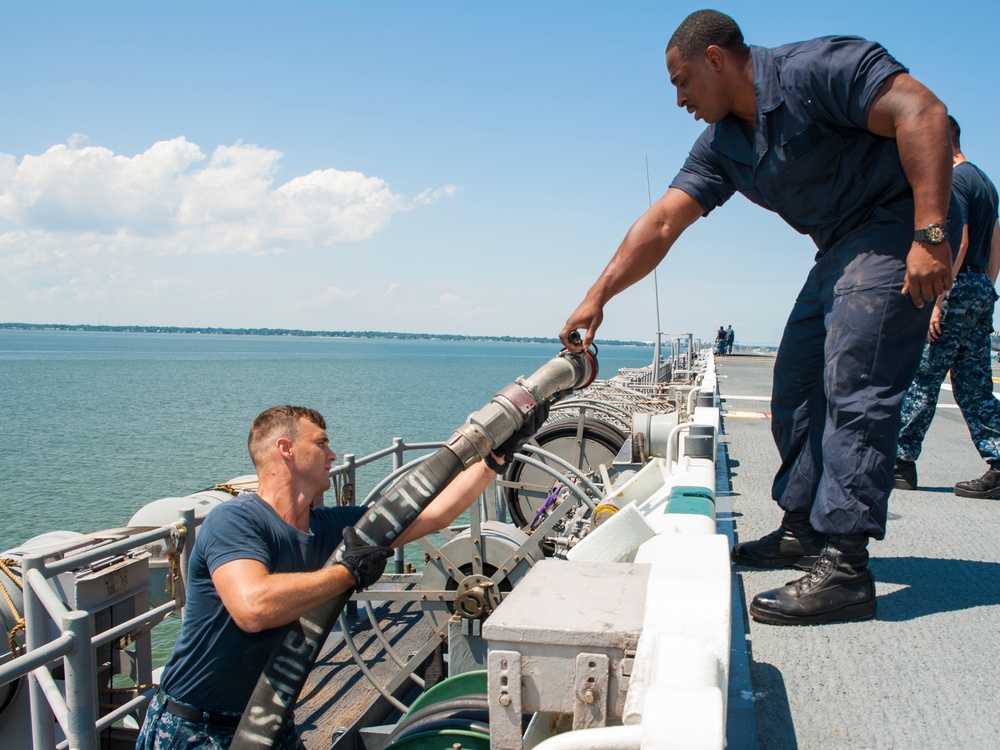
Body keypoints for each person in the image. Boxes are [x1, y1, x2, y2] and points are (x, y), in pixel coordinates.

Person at [560, 10, 957, 625]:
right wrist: (598, 295)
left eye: (682, 80)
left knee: (858, 381)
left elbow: (924, 113)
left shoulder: (814, 69)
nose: (679, 98)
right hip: (836, 247)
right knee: (796, 385)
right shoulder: (722, 144)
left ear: (716, 58)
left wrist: (930, 234)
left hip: (893, 226)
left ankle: (847, 569)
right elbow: (665, 221)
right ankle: (801, 527)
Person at [136, 404, 543, 749]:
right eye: (321, 442)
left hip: (271, 721)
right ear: (286, 450)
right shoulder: (236, 520)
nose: (332, 454)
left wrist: (496, 459)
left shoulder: (333, 528)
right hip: (194, 728)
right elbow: (253, 607)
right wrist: (346, 573)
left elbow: (436, 513)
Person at [894, 116, 1000, 497]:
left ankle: (901, 462)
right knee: (974, 384)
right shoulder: (984, 181)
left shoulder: (954, 181)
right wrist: (983, 285)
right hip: (979, 287)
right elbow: (995, 242)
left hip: (954, 287)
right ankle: (999, 460)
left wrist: (940, 300)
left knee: (924, 376)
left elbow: (962, 239)